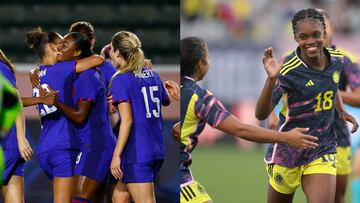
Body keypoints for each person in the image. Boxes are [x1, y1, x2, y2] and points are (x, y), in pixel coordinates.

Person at [179, 36, 320, 203]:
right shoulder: (199, 98)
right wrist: (287, 137)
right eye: (208, 57)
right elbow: (241, 129)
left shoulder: (169, 86)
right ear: (202, 63)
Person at [255, 8, 359, 203]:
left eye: (316, 35)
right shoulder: (288, 69)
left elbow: (332, 84)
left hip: (322, 148)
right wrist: (270, 81)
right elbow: (260, 113)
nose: (310, 41)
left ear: (324, 33)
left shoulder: (337, 60)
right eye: (303, 37)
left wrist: (341, 110)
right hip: (287, 152)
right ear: (295, 38)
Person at [26, 27, 104, 203]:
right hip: (63, 144)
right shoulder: (62, 69)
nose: (63, 48)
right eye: (61, 44)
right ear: (54, 47)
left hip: (45, 146)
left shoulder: (38, 73)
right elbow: (98, 59)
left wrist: (34, 70)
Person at [48, 32, 117, 203]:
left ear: (77, 53)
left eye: (65, 45)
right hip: (87, 145)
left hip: (96, 146)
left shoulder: (86, 77)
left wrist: (56, 103)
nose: (59, 48)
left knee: (79, 195)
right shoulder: (72, 75)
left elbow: (79, 116)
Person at [109, 31, 170, 203]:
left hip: (137, 152)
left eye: (111, 51)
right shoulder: (153, 75)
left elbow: (127, 121)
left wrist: (116, 155)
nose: (110, 56)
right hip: (156, 148)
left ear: (119, 53)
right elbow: (165, 101)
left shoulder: (121, 79)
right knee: (118, 197)